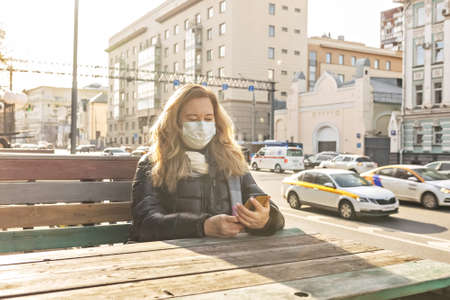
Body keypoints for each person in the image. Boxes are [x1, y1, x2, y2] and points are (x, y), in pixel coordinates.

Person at [130, 84, 285, 242]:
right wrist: (203, 226)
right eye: (193, 119)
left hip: (229, 255)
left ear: (216, 122)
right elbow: (145, 224)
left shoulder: (231, 160)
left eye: (208, 119)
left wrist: (265, 220)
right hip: (172, 259)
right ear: (175, 122)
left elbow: (271, 211)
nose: (202, 125)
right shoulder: (153, 163)